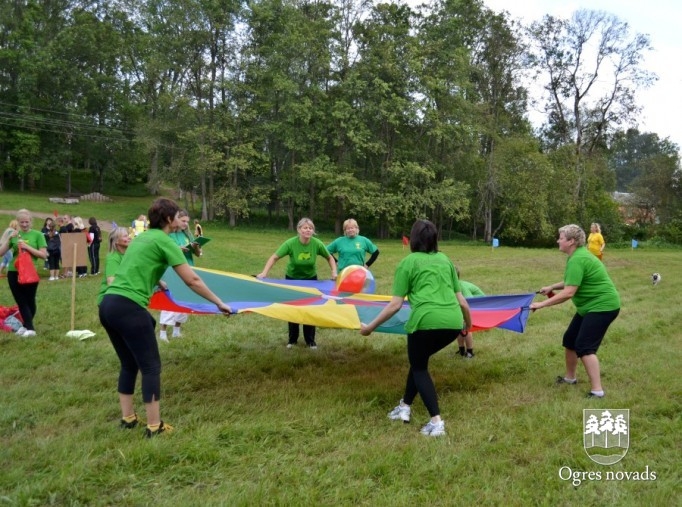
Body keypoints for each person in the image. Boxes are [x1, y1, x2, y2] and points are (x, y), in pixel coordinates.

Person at [99, 198, 232, 437]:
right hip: (129, 307)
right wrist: (219, 302)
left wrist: (158, 281)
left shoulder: (141, 238)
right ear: (169, 220)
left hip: (108, 304)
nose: (181, 221)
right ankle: (154, 426)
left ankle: (128, 418)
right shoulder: (165, 240)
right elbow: (192, 280)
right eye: (177, 217)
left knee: (129, 363)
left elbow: (138, 266)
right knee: (151, 366)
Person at [360, 219, 472, 437]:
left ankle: (436, 422)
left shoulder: (408, 262)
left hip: (425, 323)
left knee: (420, 368)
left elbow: (395, 304)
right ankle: (404, 407)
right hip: (452, 323)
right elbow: (463, 302)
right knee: (418, 361)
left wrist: (370, 327)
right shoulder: (445, 260)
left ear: (413, 239)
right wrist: (467, 325)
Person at [530, 224, 620, 399]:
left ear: (571, 241)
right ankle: (570, 378)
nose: (558, 240)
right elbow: (571, 281)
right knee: (570, 340)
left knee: (585, 347)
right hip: (590, 307)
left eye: (561, 238)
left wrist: (541, 305)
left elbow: (569, 293)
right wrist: (551, 286)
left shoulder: (578, 258)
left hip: (603, 306)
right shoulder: (576, 257)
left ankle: (597, 391)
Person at [257, 217, 337, 349]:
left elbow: (330, 257)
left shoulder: (317, 244)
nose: (308, 230)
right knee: (293, 309)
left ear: (313, 231)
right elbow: (274, 257)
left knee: (310, 309)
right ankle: (292, 340)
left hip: (311, 280)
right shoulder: (290, 243)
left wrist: (334, 272)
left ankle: (310, 341)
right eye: (305, 227)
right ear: (299, 230)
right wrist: (264, 273)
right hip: (292, 280)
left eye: (310, 228)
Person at [0, 209, 48, 338]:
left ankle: (26, 326)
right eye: (22, 222)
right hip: (14, 272)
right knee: (20, 300)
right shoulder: (15, 235)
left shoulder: (38, 235)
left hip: (30, 273)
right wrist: (8, 239)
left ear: (31, 221)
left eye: (27, 222)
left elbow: (43, 255)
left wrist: (27, 247)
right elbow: (1, 253)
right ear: (18, 222)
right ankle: (29, 327)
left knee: (29, 300)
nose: (24, 225)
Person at [159, 210, 199, 342]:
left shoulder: (186, 234)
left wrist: (196, 247)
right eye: (183, 221)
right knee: (171, 299)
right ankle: (163, 332)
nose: (186, 224)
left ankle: (177, 330)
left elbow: (198, 254)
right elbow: (163, 252)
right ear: (175, 220)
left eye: (187, 221)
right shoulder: (168, 234)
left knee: (184, 299)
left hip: (188, 269)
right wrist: (177, 249)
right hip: (173, 270)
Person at [455, 266, 485, 358]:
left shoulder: (460, 286)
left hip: (479, 306)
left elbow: (469, 302)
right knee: (458, 328)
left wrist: (465, 318)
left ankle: (470, 352)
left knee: (466, 328)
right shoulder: (451, 286)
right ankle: (461, 350)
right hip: (464, 306)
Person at [96, 227, 131, 306]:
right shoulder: (113, 258)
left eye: (128, 235)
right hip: (109, 300)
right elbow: (111, 283)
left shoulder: (127, 255)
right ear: (116, 241)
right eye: (125, 236)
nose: (129, 237)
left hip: (123, 297)